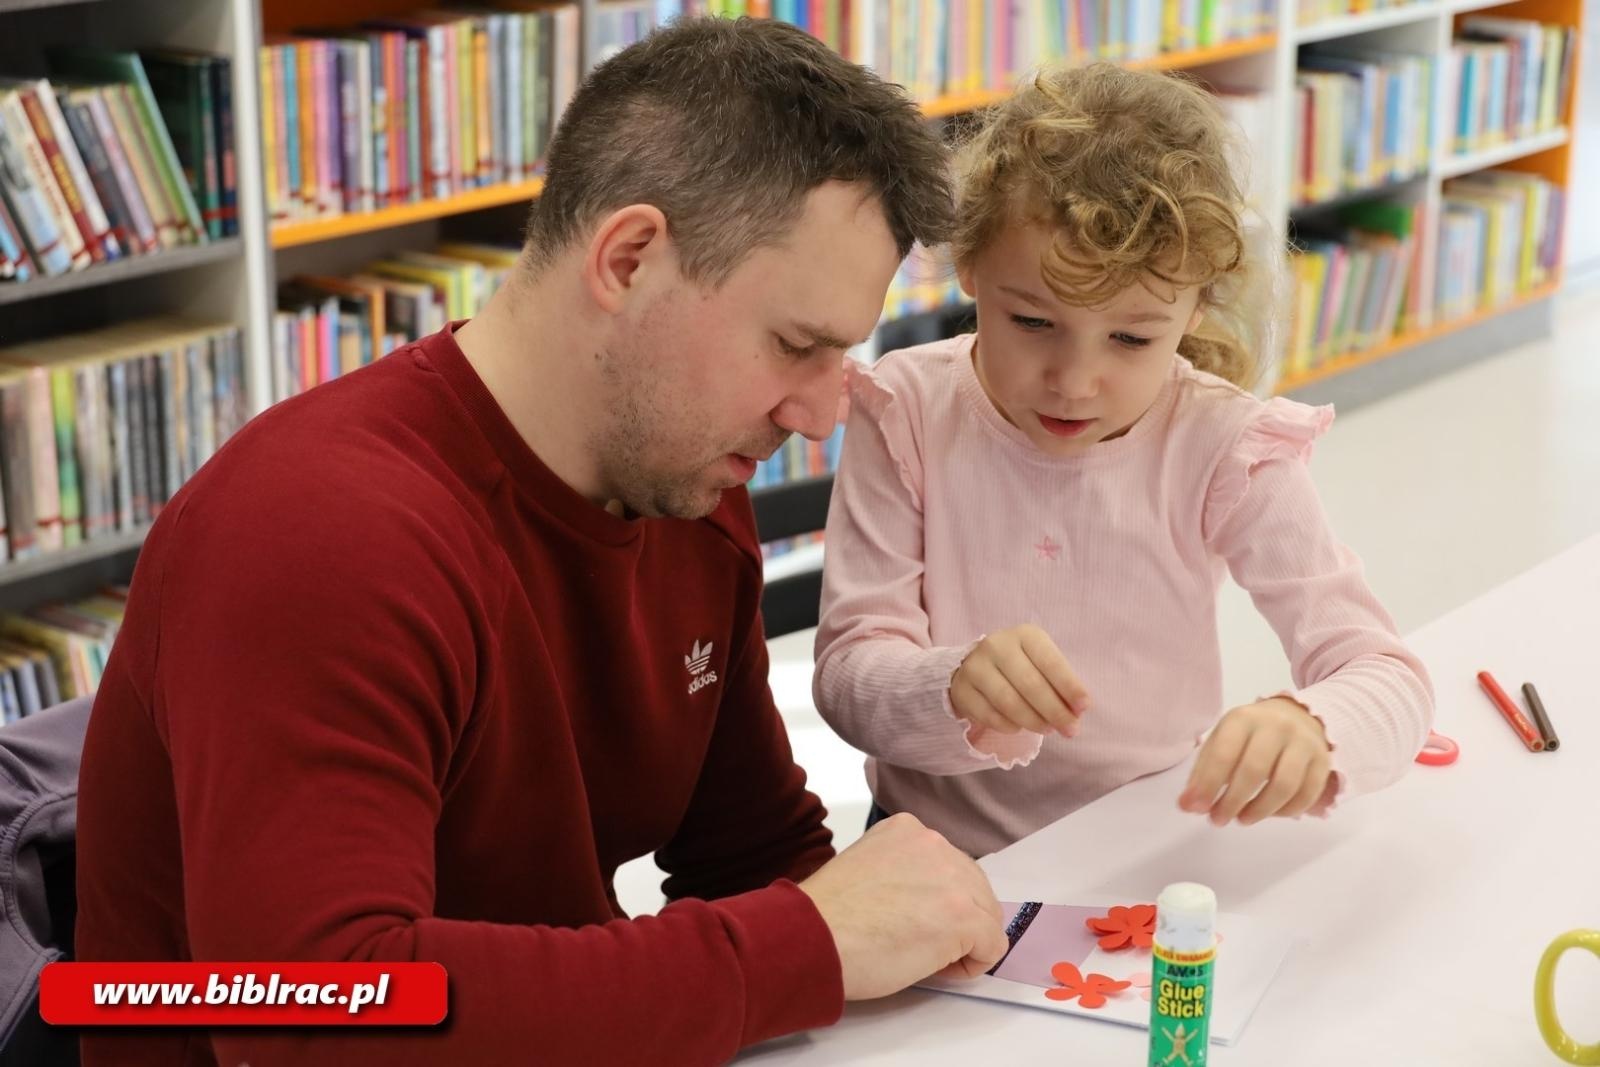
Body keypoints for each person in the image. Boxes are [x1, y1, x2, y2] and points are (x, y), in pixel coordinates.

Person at [74, 18, 1008, 1066]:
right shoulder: (317, 533)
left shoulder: (682, 483)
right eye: (796, 343)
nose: (822, 412)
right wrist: (810, 940)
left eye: (845, 351)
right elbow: (312, 1012)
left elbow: (753, 854)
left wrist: (890, 932)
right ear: (628, 257)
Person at [812, 62, 1435, 858]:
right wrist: (946, 682)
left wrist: (1311, 724)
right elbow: (845, 679)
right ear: (970, 269)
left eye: (1132, 338)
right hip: (928, 850)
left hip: (1142, 851)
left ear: (1197, 304)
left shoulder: (1226, 446)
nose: (1074, 383)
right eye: (1033, 322)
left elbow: (1387, 673)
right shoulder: (903, 411)